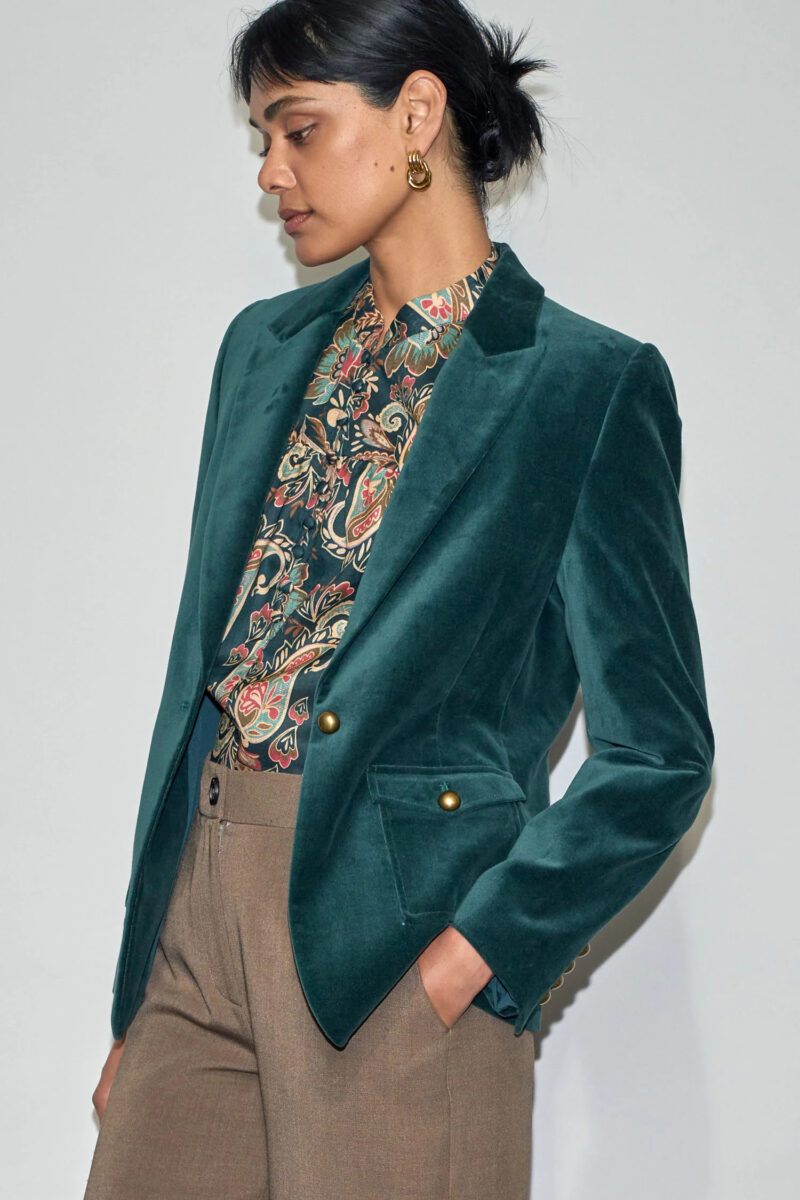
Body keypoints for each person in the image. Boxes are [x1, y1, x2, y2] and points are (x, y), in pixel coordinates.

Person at [83, 1, 715, 1197]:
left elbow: (659, 753)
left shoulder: (583, 385)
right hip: (196, 931)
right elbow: (208, 663)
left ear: (415, 114)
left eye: (298, 130)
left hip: (396, 945)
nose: (271, 173)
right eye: (262, 140)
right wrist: (148, 982)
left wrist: (475, 958)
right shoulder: (261, 349)